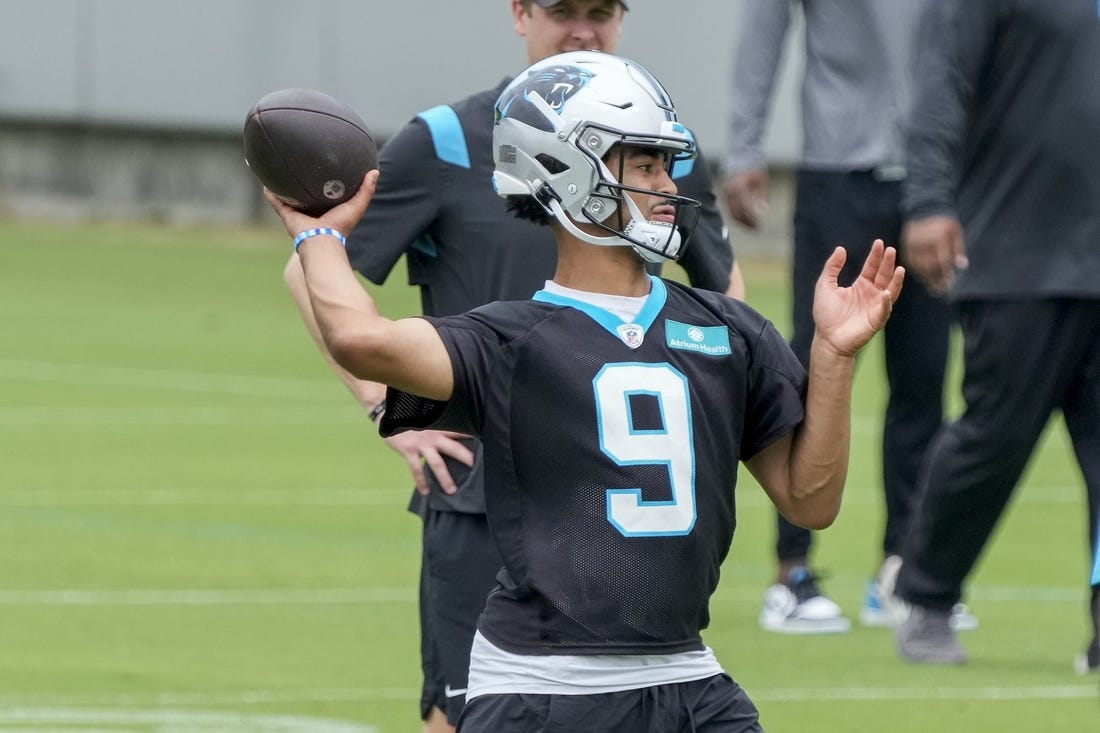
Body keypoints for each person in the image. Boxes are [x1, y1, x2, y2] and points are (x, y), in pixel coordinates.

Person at [268, 49, 903, 733]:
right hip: (544, 689)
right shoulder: (507, 342)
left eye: (667, 162)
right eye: (645, 163)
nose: (668, 183)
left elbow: (810, 500)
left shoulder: (726, 329)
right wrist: (320, 235)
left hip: (687, 677)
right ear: (564, 169)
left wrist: (834, 356)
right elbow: (361, 339)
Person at [282, 2, 745, 731]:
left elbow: (725, 294)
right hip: (480, 495)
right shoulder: (444, 140)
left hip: (620, 512)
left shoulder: (654, 147)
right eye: (563, 10)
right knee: (457, 716)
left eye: (602, 11)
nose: (584, 30)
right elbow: (311, 266)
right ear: (520, 13)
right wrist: (388, 409)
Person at [722, 0, 966, 635]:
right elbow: (763, 28)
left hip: (931, 179)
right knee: (811, 367)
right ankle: (791, 571)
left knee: (924, 376)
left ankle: (901, 570)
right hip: (838, 176)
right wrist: (744, 147)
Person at [892, 0, 1100, 670]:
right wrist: (927, 201)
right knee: (995, 437)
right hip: (1018, 254)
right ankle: (924, 594)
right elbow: (941, 86)